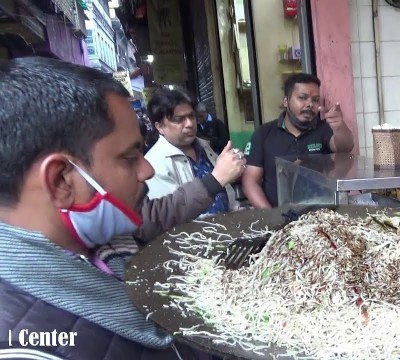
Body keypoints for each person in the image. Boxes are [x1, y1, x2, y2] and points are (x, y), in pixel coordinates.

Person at [0, 57, 225, 359]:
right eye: (129, 157)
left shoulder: (108, 244)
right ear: (61, 180)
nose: (147, 170)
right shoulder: (28, 347)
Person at [242, 73, 354, 208]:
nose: (310, 104)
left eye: (315, 99)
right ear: (286, 101)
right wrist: (271, 215)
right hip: (278, 214)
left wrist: (339, 127)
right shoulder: (263, 134)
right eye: (302, 98)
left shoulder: (324, 128)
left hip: (322, 215)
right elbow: (250, 182)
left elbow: (345, 147)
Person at [145, 88, 244, 216]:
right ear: (160, 127)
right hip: (195, 235)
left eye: (191, 116)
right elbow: (170, 216)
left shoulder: (205, 147)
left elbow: (224, 191)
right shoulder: (154, 165)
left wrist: (235, 209)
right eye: (179, 119)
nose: (190, 123)